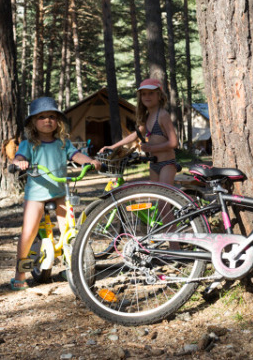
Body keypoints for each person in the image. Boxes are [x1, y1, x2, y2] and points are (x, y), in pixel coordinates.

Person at [10, 96, 101, 291]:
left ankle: (74, 265)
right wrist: (19, 162)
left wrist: (88, 161)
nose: (47, 120)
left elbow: (75, 155)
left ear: (58, 120)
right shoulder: (29, 144)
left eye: (52, 116)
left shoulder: (63, 142)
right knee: (29, 232)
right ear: (33, 122)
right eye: (42, 117)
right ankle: (20, 273)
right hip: (36, 194)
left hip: (60, 192)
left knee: (70, 229)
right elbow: (19, 156)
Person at [100, 78, 179, 184]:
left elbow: (173, 142)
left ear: (159, 95)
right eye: (144, 94)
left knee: (163, 199)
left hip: (167, 164)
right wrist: (112, 147)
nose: (147, 97)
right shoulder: (147, 116)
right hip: (153, 164)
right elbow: (135, 135)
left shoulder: (163, 115)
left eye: (151, 93)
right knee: (157, 197)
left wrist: (151, 148)